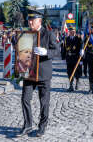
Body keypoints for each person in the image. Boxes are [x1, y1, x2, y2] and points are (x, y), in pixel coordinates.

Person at [17, 9, 59, 137]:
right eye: (29, 20)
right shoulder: (26, 34)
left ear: (39, 21)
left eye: (32, 20)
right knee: (25, 99)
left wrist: (46, 52)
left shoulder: (48, 34)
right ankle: (28, 124)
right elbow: (22, 52)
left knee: (44, 102)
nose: (29, 22)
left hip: (43, 74)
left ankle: (42, 126)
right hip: (29, 73)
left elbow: (57, 50)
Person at [63, 26, 83, 92]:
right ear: (69, 32)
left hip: (76, 57)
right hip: (69, 58)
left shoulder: (78, 39)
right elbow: (64, 49)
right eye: (71, 31)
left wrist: (81, 59)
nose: (72, 32)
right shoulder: (66, 39)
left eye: (73, 31)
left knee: (77, 71)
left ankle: (77, 82)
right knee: (69, 72)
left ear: (75, 31)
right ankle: (71, 85)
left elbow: (81, 47)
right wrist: (63, 58)